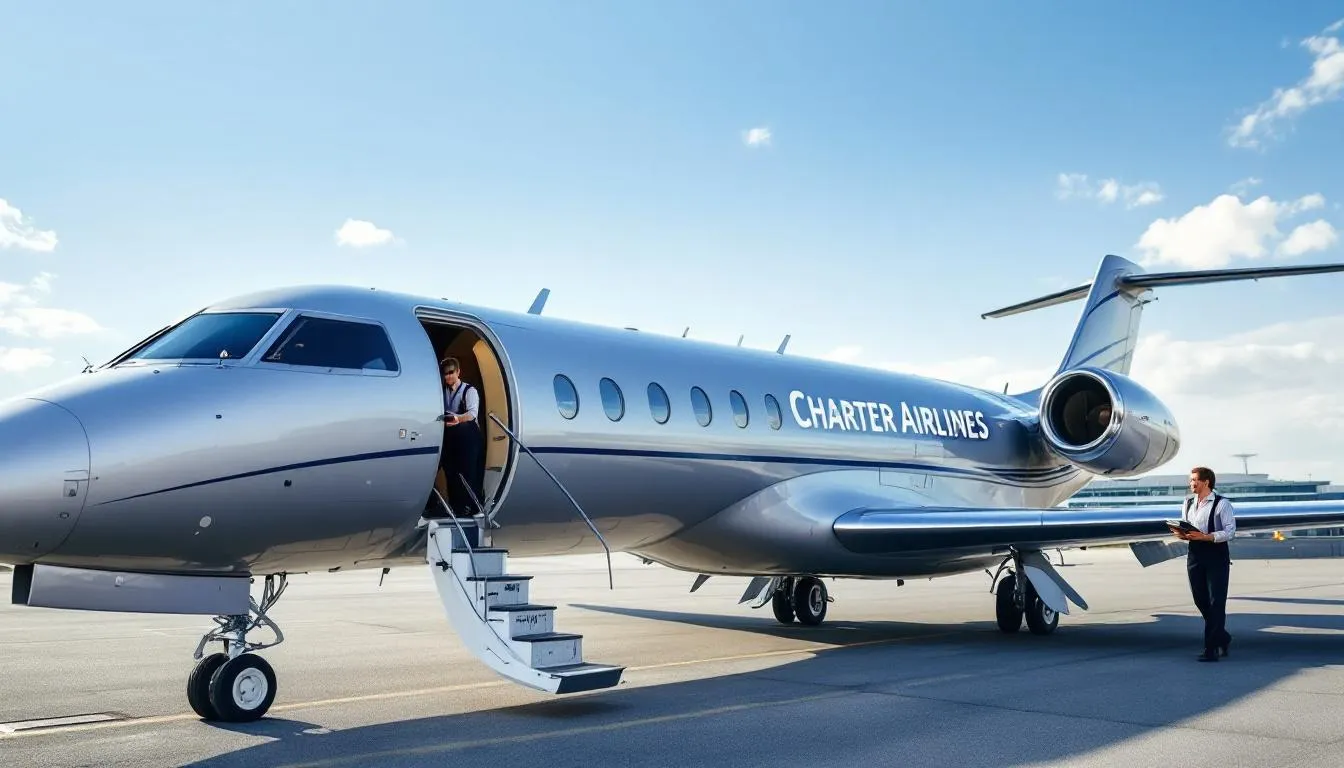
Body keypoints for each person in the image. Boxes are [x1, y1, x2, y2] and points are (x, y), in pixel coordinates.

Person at [1171, 466, 1236, 662]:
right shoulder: (1188, 502)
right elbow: (1185, 523)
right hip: (1195, 554)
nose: (1191, 484)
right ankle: (1222, 637)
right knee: (1200, 599)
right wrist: (1182, 534)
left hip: (1216, 554)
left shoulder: (1222, 504)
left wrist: (1207, 536)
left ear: (1206, 482)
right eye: (1191, 480)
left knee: (1217, 602)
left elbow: (1230, 531)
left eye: (1194, 480)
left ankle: (1211, 649)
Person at [438, 357, 484, 517]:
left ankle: (475, 508)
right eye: (445, 374)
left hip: (468, 437)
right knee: (451, 471)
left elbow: (472, 414)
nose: (448, 376)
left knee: (469, 472)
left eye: (451, 373)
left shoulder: (469, 391)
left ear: (458, 372)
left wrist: (457, 418)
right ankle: (457, 507)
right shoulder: (442, 392)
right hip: (451, 436)